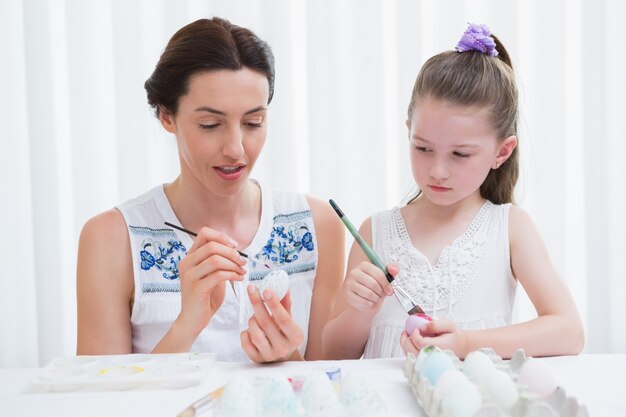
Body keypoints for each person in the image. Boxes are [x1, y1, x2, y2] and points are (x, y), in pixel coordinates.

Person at [76, 17, 345, 362]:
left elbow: (329, 394)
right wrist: (186, 326)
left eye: (253, 123)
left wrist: (286, 356)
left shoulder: (318, 224)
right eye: (210, 124)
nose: (236, 148)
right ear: (167, 117)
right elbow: (101, 403)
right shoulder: (111, 239)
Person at [322, 23, 584, 359]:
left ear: (501, 152)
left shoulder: (510, 227)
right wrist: (361, 311)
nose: (438, 171)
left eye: (460, 154)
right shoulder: (376, 231)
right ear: (408, 133)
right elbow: (330, 356)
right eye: (423, 148)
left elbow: (569, 332)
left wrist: (466, 344)